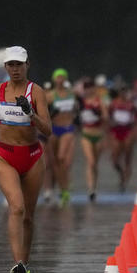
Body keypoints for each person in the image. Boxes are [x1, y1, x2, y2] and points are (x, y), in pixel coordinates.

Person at [0, 46, 51, 273]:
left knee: (28, 216)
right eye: (11, 65)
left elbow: (48, 130)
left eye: (19, 64)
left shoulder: (36, 92)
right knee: (15, 208)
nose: (15, 69)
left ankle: (24, 269)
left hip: (32, 157)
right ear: (5, 67)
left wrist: (32, 114)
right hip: (5, 156)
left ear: (27, 64)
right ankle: (18, 264)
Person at [47, 68, 78, 207]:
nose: (60, 80)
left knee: (62, 159)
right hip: (54, 129)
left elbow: (78, 109)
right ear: (54, 79)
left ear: (65, 79)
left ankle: (64, 189)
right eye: (58, 77)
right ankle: (62, 189)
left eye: (62, 77)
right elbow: (42, 112)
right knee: (54, 163)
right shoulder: (50, 95)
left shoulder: (72, 94)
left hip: (67, 128)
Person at [78, 78, 109, 201]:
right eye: (87, 87)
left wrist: (98, 114)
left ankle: (94, 187)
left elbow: (106, 116)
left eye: (91, 87)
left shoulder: (99, 101)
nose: (89, 90)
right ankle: (90, 189)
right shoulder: (81, 102)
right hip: (86, 135)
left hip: (98, 135)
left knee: (95, 163)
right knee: (90, 162)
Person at [108, 82, 136, 191]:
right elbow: (108, 119)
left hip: (127, 131)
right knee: (114, 159)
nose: (124, 93)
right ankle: (121, 173)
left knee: (128, 157)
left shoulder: (131, 105)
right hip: (116, 131)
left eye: (125, 91)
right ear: (119, 93)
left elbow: (135, 121)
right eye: (122, 91)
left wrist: (135, 134)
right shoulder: (113, 104)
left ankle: (124, 181)